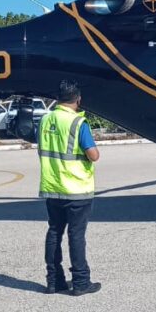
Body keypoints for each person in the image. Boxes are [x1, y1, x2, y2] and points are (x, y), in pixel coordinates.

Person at [38, 80, 101, 295]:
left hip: (52, 186)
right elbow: (93, 155)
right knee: (76, 234)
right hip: (76, 188)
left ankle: (54, 281)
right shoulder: (77, 123)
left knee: (54, 231)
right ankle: (81, 281)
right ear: (78, 99)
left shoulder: (45, 120)